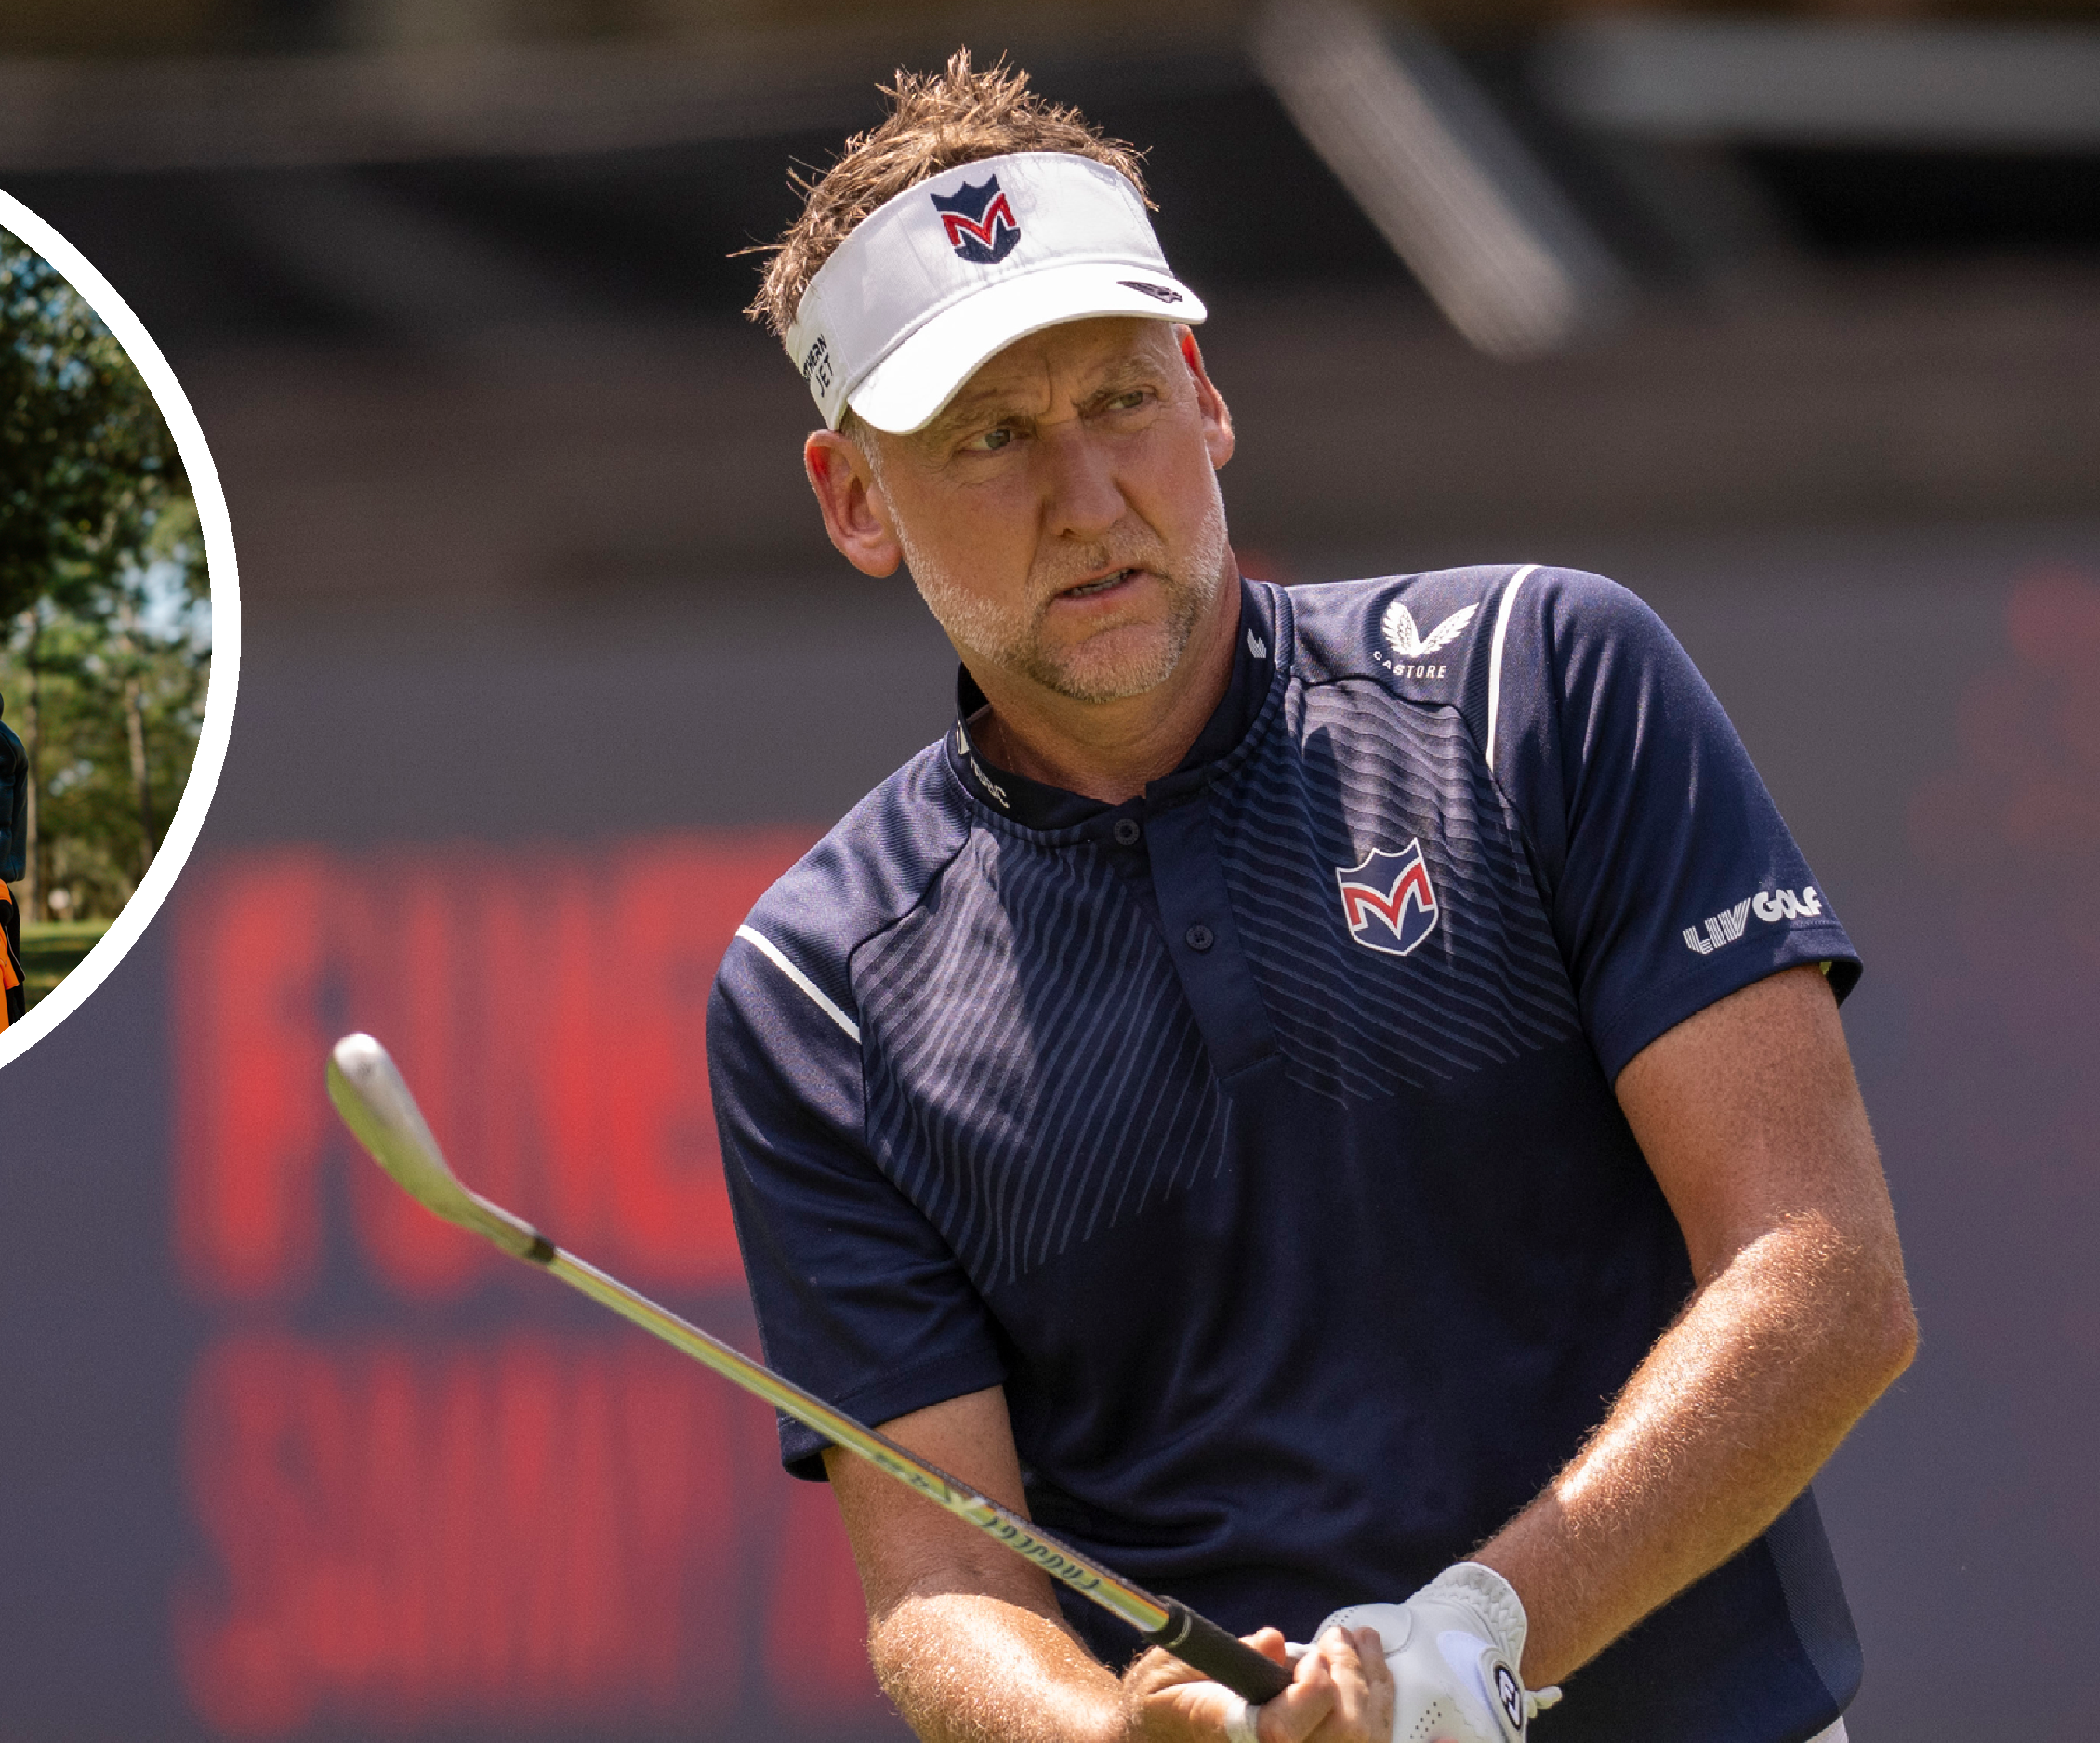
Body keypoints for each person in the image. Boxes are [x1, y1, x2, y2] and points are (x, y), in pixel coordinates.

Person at [705, 56, 1914, 1743]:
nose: (1083, 496)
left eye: (1116, 399)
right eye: (986, 437)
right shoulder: (813, 987)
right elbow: (939, 1585)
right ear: (852, 500)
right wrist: (1103, 1736)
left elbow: (1823, 1276)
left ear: (1201, 397)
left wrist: (1475, 1639)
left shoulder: (1534, 685)